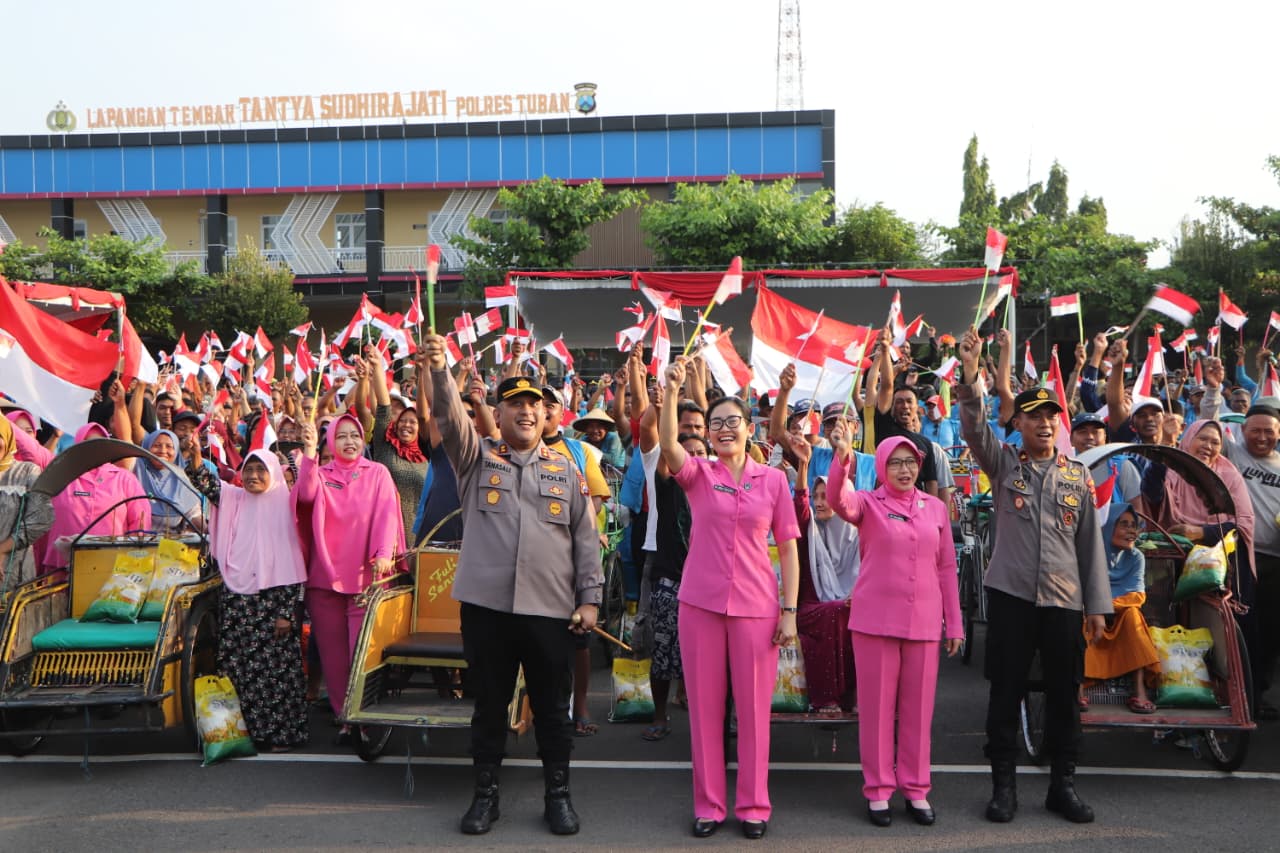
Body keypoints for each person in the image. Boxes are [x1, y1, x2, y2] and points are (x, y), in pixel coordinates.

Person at [423, 334, 603, 837]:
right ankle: (485, 797)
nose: (525, 411)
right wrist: (440, 372)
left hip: (550, 611)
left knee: (551, 710)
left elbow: (585, 540)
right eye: (515, 404)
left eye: (533, 405)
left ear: (545, 415)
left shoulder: (566, 471)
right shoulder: (476, 459)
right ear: (497, 414)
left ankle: (558, 797)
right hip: (488, 611)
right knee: (488, 706)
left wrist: (590, 600)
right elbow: (449, 419)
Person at [955, 325, 1110, 825]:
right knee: (1006, 691)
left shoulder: (1077, 475)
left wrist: (1097, 606)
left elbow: (1089, 545)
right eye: (1034, 416)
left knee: (1065, 694)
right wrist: (973, 375)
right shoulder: (1004, 466)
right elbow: (974, 429)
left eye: (1050, 416)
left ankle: (1063, 785)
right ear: (1017, 422)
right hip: (1012, 597)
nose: (1044, 423)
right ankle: (1004, 787)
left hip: (1064, 600)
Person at [658, 357, 801, 841]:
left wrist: (789, 611)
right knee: (704, 711)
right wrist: (671, 390)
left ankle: (754, 805)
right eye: (715, 423)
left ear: (748, 427)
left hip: (757, 608)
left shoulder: (774, 481)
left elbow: (788, 548)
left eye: (731, 421)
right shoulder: (699, 473)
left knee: (755, 714)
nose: (722, 429)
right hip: (700, 605)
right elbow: (669, 446)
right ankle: (709, 805)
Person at [827, 429, 962, 827]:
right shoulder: (868, 503)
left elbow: (946, 566)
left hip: (924, 621)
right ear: (882, 468)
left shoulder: (935, 508)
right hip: (875, 622)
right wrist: (843, 458)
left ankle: (916, 789)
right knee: (877, 711)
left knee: (918, 712)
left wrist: (954, 623)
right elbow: (837, 500)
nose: (904, 470)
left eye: (910, 463)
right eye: (895, 463)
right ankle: (878, 789)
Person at [295, 414, 404, 743]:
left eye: (354, 435)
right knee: (334, 658)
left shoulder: (378, 472)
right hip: (324, 579)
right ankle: (346, 718)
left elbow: (387, 514)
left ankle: (365, 718)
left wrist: (383, 552)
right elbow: (304, 497)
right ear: (331, 442)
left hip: (367, 576)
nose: (349, 442)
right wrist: (310, 453)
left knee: (363, 652)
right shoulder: (321, 473)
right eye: (341, 436)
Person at [192, 450, 309, 751]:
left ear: (273, 473)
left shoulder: (284, 506)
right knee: (238, 669)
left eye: (261, 470)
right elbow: (206, 483)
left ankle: (279, 735)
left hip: (273, 603)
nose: (253, 476)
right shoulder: (235, 499)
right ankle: (240, 734)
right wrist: (195, 457)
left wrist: (286, 613)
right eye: (248, 469)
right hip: (238, 602)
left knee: (275, 673)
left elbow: (292, 563)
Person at [1197, 365, 1280, 716]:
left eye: (1269, 432)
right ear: (1242, 430)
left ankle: (1258, 696)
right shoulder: (1233, 454)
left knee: (1270, 632)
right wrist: (1214, 390)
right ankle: (1234, 694)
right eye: (1255, 431)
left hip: (1274, 561)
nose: (1261, 438)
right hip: (1237, 557)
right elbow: (1208, 426)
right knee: (1237, 629)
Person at [789, 438, 857, 714]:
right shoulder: (811, 532)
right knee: (835, 611)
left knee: (850, 613)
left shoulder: (858, 536)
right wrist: (803, 465)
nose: (819, 502)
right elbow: (800, 507)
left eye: (825, 496)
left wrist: (858, 595)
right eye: (816, 496)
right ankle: (828, 700)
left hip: (849, 606)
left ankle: (850, 697)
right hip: (809, 609)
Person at [1081, 504, 1160, 714]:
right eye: (1124, 525)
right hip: (1091, 614)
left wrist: (1104, 605)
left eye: (1134, 526)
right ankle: (1078, 689)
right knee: (1081, 616)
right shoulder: (1090, 554)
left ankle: (1139, 690)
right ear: (1108, 528)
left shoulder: (1136, 557)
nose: (1131, 531)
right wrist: (1096, 607)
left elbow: (1137, 596)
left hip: (1119, 615)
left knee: (1133, 615)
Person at [42, 423, 151, 572]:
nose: (94, 448)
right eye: (87, 443)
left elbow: (141, 521)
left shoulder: (124, 478)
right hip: (61, 566)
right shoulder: (61, 475)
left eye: (100, 443)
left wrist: (134, 558)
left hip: (113, 567)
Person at [0, 417, 54, 590]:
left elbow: (41, 519)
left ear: (8, 437)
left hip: (15, 576)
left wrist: (2, 549)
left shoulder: (26, 472)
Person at [136, 429, 204, 535]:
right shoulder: (135, 471)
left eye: (169, 446)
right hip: (134, 541)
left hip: (171, 543)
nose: (163, 451)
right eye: (156, 445)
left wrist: (211, 531)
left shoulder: (184, 479)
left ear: (176, 452)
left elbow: (194, 516)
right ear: (146, 447)